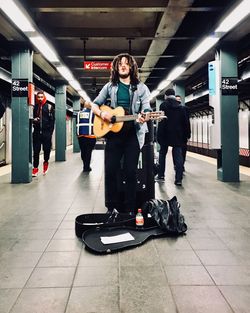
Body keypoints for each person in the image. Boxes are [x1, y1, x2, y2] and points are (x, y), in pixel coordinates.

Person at [90, 53, 151, 214]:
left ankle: (130, 209)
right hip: (114, 134)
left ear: (131, 67)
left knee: (131, 171)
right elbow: (94, 104)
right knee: (110, 170)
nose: (123, 66)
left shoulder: (142, 88)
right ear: (116, 68)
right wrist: (103, 114)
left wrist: (144, 115)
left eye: (126, 63)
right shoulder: (110, 86)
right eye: (120, 64)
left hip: (133, 134)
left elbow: (146, 107)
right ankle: (111, 207)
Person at [156, 88, 190, 186]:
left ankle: (161, 175)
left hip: (165, 134)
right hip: (178, 135)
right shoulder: (181, 107)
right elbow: (185, 123)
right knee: (178, 156)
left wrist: (158, 135)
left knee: (162, 154)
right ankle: (178, 179)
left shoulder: (163, 105)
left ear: (166, 96)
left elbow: (161, 121)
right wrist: (187, 134)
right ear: (174, 96)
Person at [32, 91, 55, 177]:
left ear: (44, 97)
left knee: (46, 150)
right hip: (37, 133)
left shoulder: (49, 107)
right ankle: (35, 168)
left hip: (46, 133)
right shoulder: (35, 107)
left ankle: (46, 162)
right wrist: (34, 120)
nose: (40, 98)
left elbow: (52, 122)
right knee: (36, 151)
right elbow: (31, 119)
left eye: (42, 97)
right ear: (37, 98)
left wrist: (50, 133)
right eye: (39, 97)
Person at [76, 99, 96, 172]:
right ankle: (86, 167)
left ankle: (85, 164)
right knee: (88, 152)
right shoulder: (93, 113)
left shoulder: (79, 113)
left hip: (81, 136)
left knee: (83, 151)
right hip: (90, 136)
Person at [175, 95, 191, 171]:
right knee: (177, 151)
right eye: (177, 100)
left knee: (183, 151)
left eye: (179, 100)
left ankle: (181, 165)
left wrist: (188, 134)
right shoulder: (173, 110)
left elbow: (187, 122)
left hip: (183, 135)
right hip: (175, 135)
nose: (178, 101)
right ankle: (177, 165)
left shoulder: (186, 109)